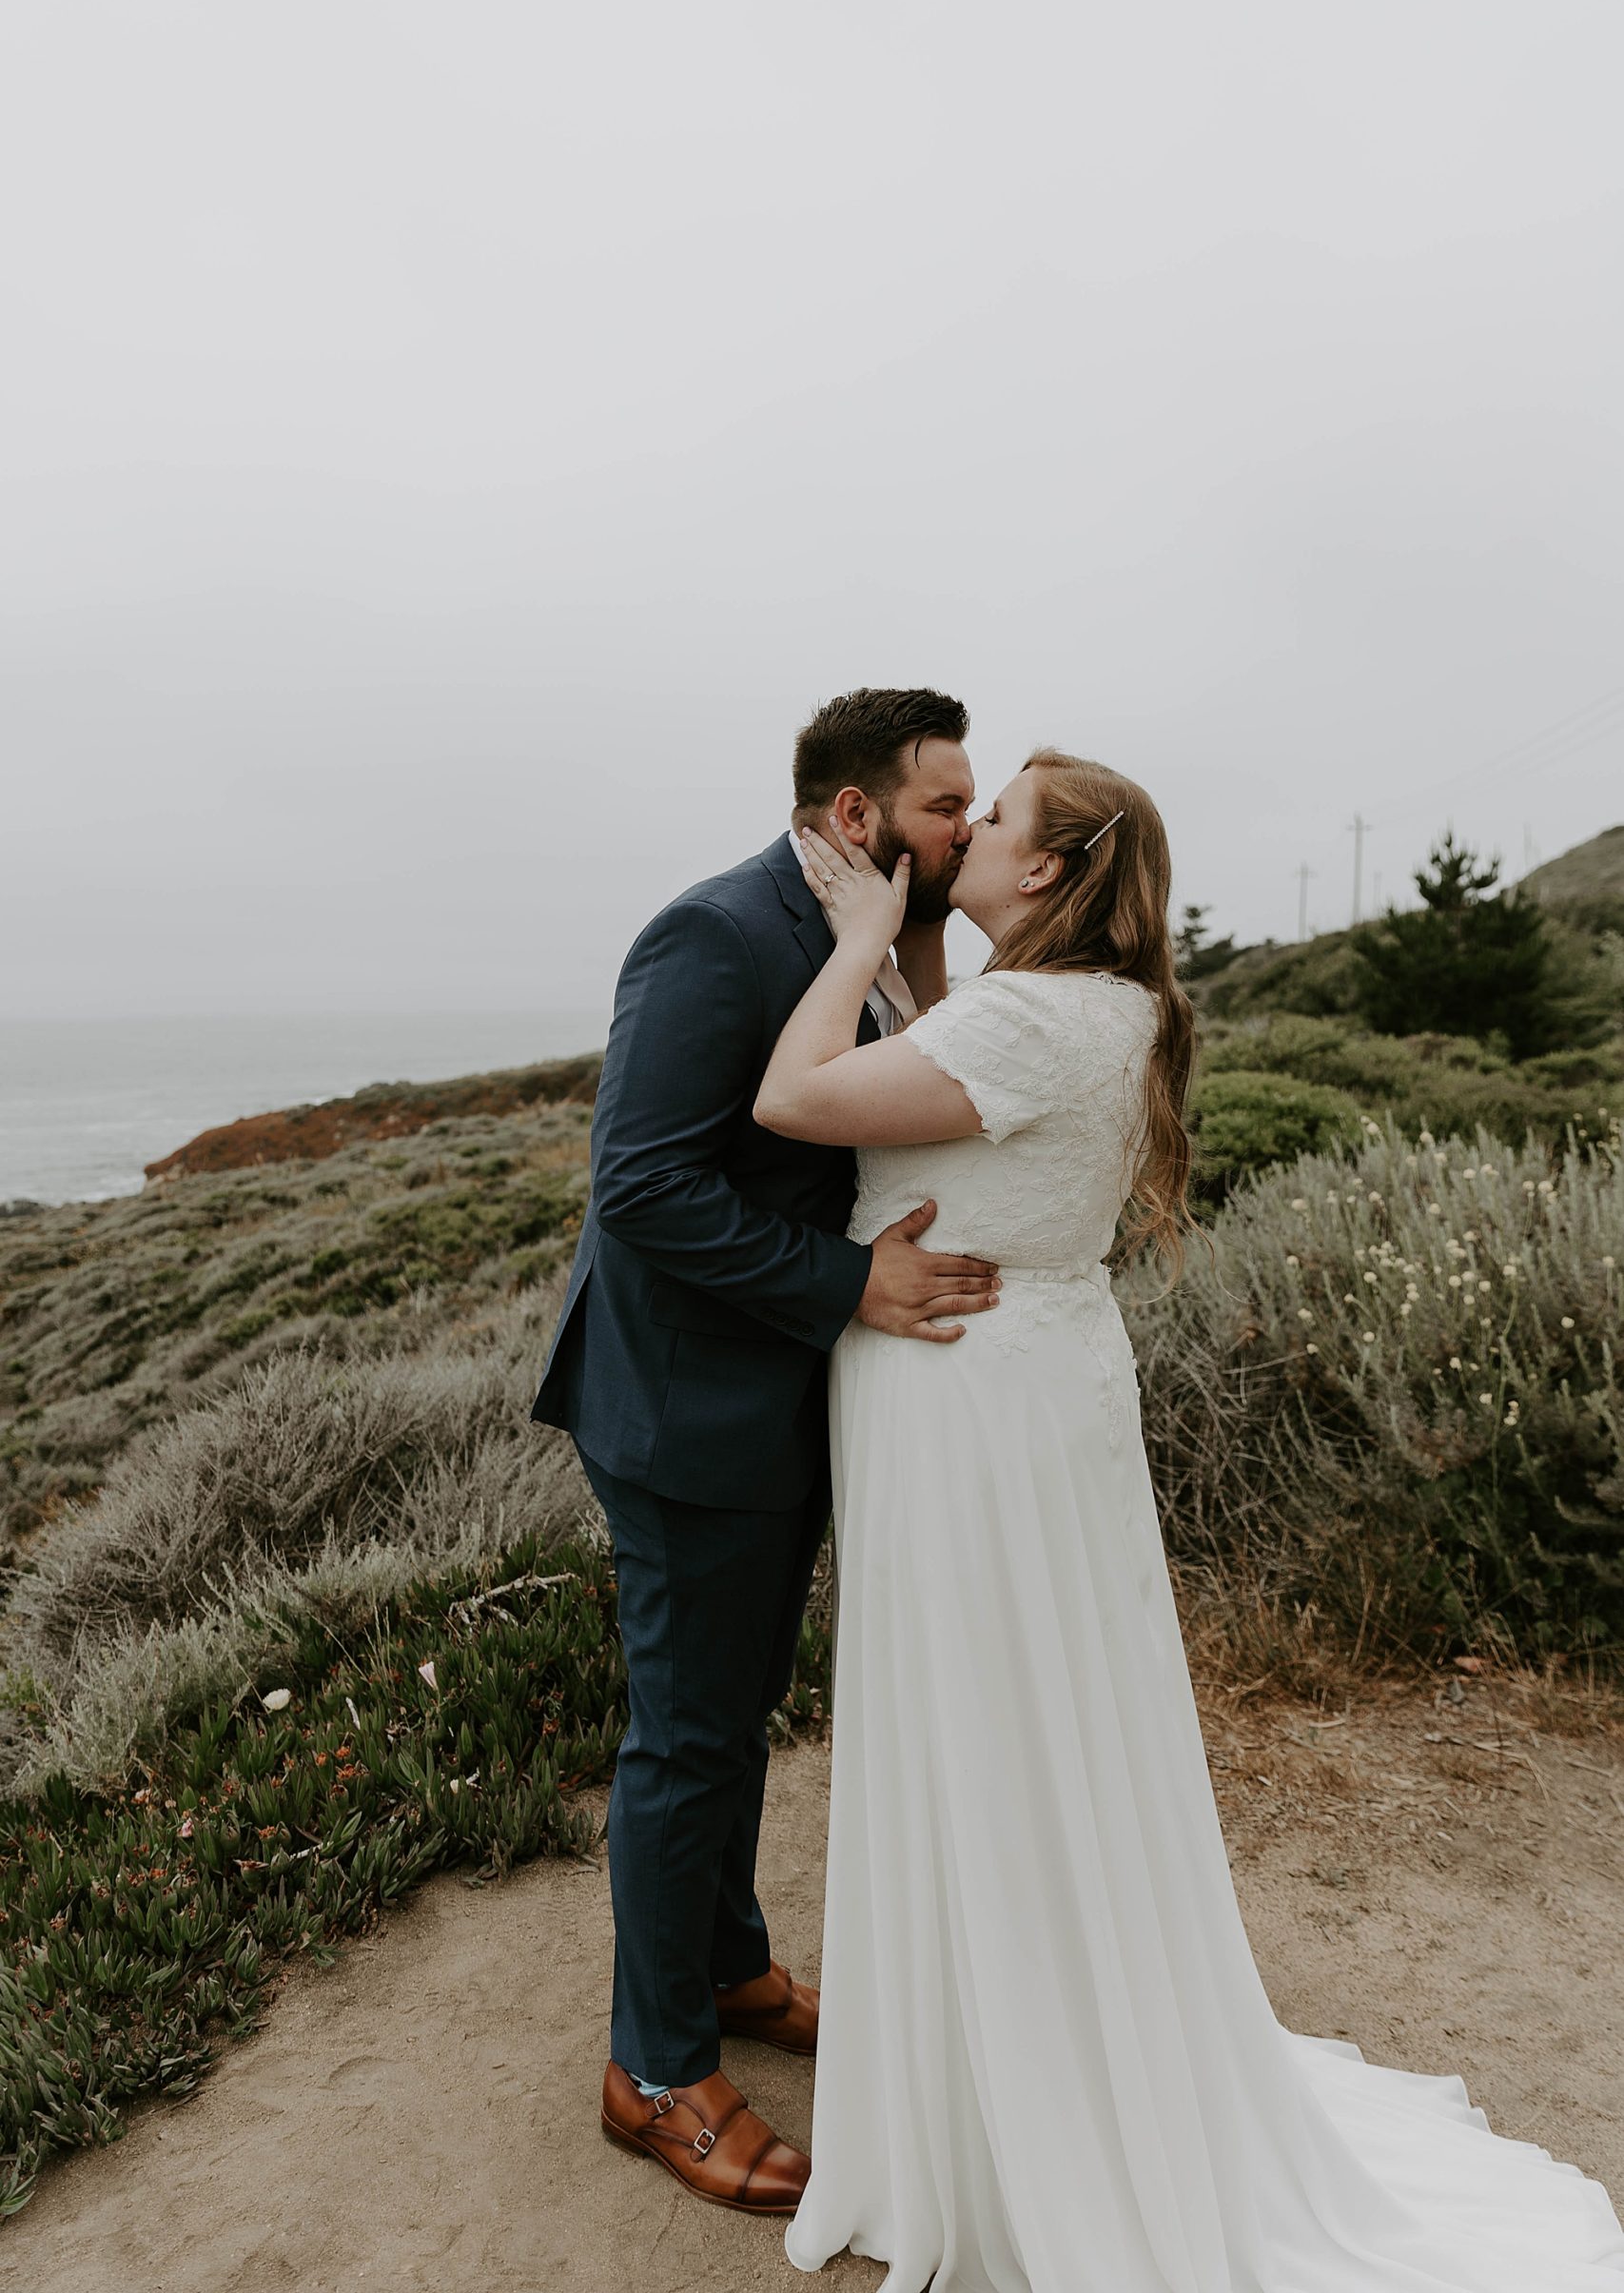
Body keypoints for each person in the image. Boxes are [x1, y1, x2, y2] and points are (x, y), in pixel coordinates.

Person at [756, 751, 1624, 2293]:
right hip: (1014, 1381)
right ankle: (1012, 2050)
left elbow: (794, 1097)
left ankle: (1011, 2100)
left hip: (972, 1403)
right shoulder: (1099, 1004)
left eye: (998, 819)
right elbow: (960, 1063)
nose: (967, 831)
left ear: (1051, 873)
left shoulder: (1037, 1016)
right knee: (1033, 1725)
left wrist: (847, 949)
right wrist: (917, 949)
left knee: (995, 1726)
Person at [529, 686, 1003, 2215]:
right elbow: (646, 1187)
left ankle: (727, 1968)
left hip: (782, 1399)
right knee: (687, 1737)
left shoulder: (866, 930)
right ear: (856, 818)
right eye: (947, 806)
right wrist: (849, 1286)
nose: (968, 828)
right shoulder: (715, 934)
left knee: (730, 1717)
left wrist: (916, 942)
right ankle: (653, 2069)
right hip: (686, 1409)